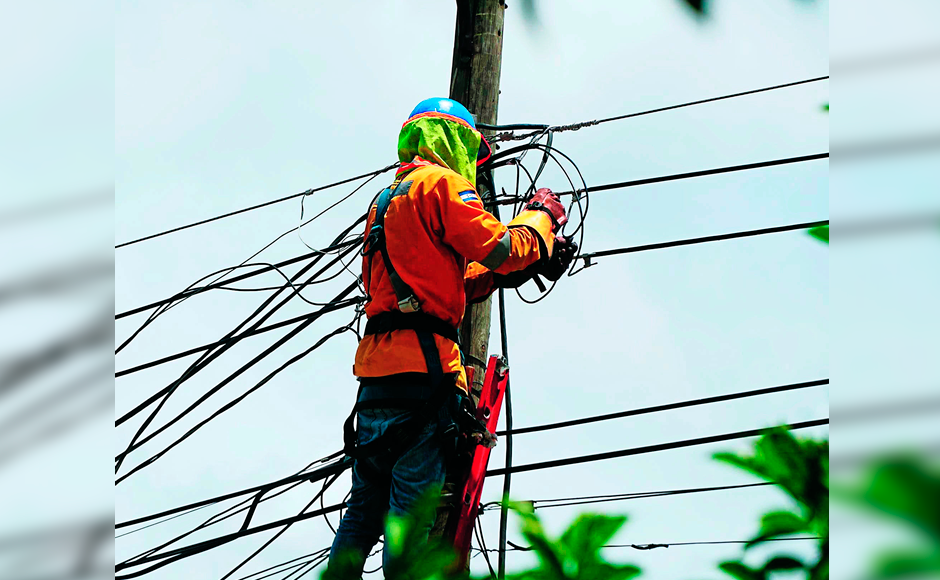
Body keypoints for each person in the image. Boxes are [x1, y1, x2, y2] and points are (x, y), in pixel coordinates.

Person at [325, 97, 575, 578]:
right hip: (425, 382)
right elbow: (504, 247)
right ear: (455, 140)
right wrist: (540, 218)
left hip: (376, 386)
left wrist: (507, 273)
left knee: (360, 517)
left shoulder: (386, 200)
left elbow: (438, 286)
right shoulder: (443, 185)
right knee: (407, 527)